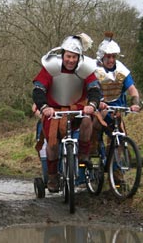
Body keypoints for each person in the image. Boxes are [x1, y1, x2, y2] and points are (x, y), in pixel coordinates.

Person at [32, 33, 101, 193]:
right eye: (68, 56)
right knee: (52, 141)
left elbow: (94, 88)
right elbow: (38, 89)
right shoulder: (51, 67)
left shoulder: (86, 68)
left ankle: (83, 155)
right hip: (53, 112)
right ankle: (53, 175)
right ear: (63, 54)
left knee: (87, 120)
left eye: (74, 57)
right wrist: (43, 107)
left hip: (77, 109)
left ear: (79, 57)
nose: (71, 60)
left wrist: (92, 104)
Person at [89, 32, 141, 155]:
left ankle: (116, 167)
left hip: (115, 110)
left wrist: (135, 103)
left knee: (121, 137)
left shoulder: (121, 70)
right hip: (97, 109)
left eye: (113, 57)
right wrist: (97, 103)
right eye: (108, 57)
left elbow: (132, 89)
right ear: (102, 57)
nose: (111, 60)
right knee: (93, 134)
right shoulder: (93, 69)